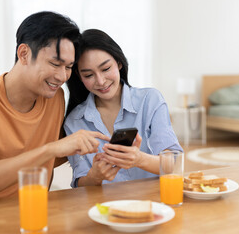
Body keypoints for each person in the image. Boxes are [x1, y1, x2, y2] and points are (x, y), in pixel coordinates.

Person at [0, 12, 109, 231]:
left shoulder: (54, 98)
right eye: (55, 63)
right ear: (24, 53)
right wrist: (49, 149)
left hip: (28, 216)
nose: (63, 76)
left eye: (68, 67)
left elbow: (49, 155)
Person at [65, 29, 183, 188]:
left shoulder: (150, 100)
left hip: (154, 204)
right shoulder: (74, 121)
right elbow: (81, 184)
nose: (100, 81)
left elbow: (174, 164)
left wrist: (140, 159)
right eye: (88, 75)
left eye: (106, 69)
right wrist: (94, 176)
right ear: (79, 77)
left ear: (119, 63)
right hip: (106, 208)